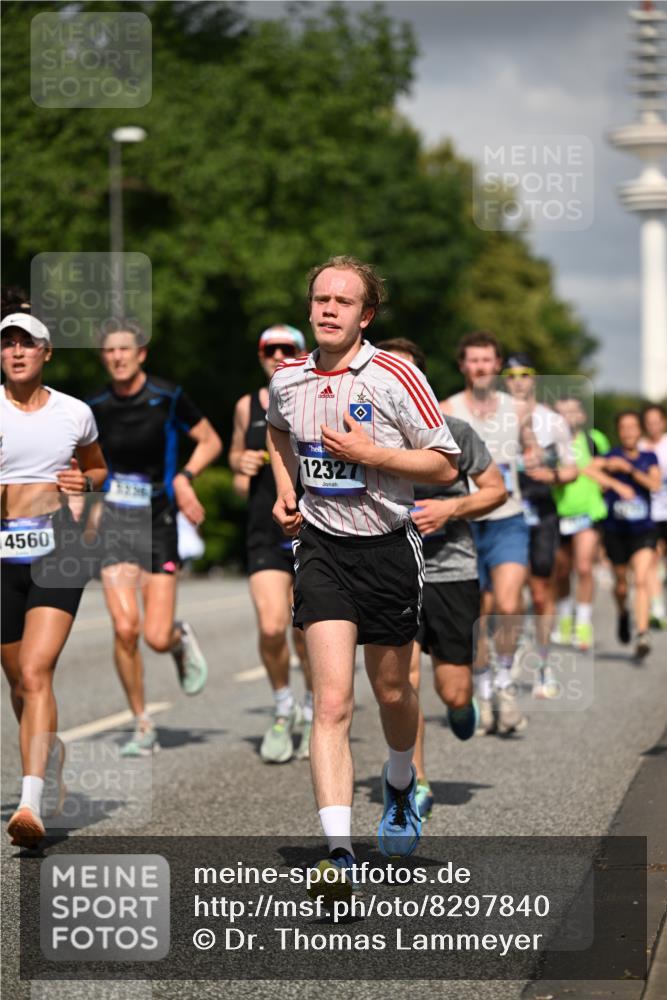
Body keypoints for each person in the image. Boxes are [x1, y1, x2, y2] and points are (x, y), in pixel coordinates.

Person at [267, 256, 460, 899]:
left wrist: (370, 453)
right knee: (331, 703)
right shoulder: (288, 379)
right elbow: (276, 433)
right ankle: (340, 853)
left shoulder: (395, 375)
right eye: (320, 298)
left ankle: (401, 781)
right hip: (321, 547)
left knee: (394, 692)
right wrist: (286, 490)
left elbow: (444, 465)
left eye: (342, 301)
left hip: (387, 550)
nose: (328, 309)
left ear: (365, 315)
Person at [377, 338, 506, 819]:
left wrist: (451, 509)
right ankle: (415, 780)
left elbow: (496, 491)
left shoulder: (455, 432)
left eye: (406, 375)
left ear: (422, 382)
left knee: (453, 690)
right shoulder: (363, 436)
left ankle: (461, 705)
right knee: (401, 681)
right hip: (391, 571)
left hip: (452, 569)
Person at [87, 323, 222, 756]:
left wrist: (185, 478)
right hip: (115, 524)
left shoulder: (167, 397)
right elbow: (84, 462)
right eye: (109, 350)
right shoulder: (94, 407)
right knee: (125, 628)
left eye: (125, 349)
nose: (117, 357)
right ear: (103, 356)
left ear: (141, 353)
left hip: (159, 522)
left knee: (155, 636)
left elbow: (210, 441)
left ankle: (179, 639)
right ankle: (142, 723)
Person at [1, 310, 108, 847]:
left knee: (36, 670)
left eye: (28, 343)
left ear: (47, 352)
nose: (16, 351)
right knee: (18, 681)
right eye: (8, 343)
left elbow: (98, 468)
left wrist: (83, 482)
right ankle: (47, 752)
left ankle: (30, 802)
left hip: (59, 548)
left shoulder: (74, 412)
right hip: (3, 555)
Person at [229, 325, 313, 763]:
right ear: (261, 355)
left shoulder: (315, 397)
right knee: (270, 625)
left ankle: (315, 706)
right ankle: (284, 707)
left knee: (307, 631)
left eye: (288, 348)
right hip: (265, 529)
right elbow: (236, 477)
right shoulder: (247, 405)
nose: (278, 355)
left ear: (302, 352)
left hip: (313, 528)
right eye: (270, 349)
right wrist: (241, 468)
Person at [441, 332, 529, 736]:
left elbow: (538, 452)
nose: (480, 367)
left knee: (509, 603)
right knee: (473, 614)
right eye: (472, 360)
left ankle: (505, 683)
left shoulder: (520, 410)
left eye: (487, 360)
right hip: (464, 522)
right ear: (463, 365)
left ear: (498, 365)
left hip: (508, 518)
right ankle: (481, 688)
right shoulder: (446, 409)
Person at [502, 354, 577, 697]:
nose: (518, 380)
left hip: (542, 509)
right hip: (506, 510)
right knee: (507, 592)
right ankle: (511, 652)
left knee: (541, 590)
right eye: (511, 374)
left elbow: (572, 468)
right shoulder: (494, 418)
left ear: (534, 378)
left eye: (525, 373)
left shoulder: (553, 421)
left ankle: (544, 665)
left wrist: (553, 475)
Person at [592, 411, 661, 659]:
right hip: (615, 531)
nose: (629, 432)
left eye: (633, 427)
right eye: (624, 427)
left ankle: (642, 634)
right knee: (622, 586)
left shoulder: (648, 457)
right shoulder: (611, 456)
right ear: (618, 432)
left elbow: (655, 484)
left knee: (641, 580)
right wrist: (613, 482)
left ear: (639, 430)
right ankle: (623, 612)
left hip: (643, 530)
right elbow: (586, 469)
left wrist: (629, 471)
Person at [552, 397, 610, 650]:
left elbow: (607, 469)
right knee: (561, 571)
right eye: (561, 413)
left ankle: (583, 625)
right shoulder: (550, 443)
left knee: (584, 567)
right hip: (558, 513)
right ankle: (565, 619)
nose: (567, 417)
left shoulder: (594, 440)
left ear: (582, 416)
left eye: (572, 412)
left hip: (589, 512)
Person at [640, 403, 667, 629]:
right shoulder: (639, 446)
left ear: (663, 422)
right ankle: (657, 608)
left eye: (656, 422)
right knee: (651, 560)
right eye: (649, 422)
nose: (653, 426)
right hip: (649, 513)